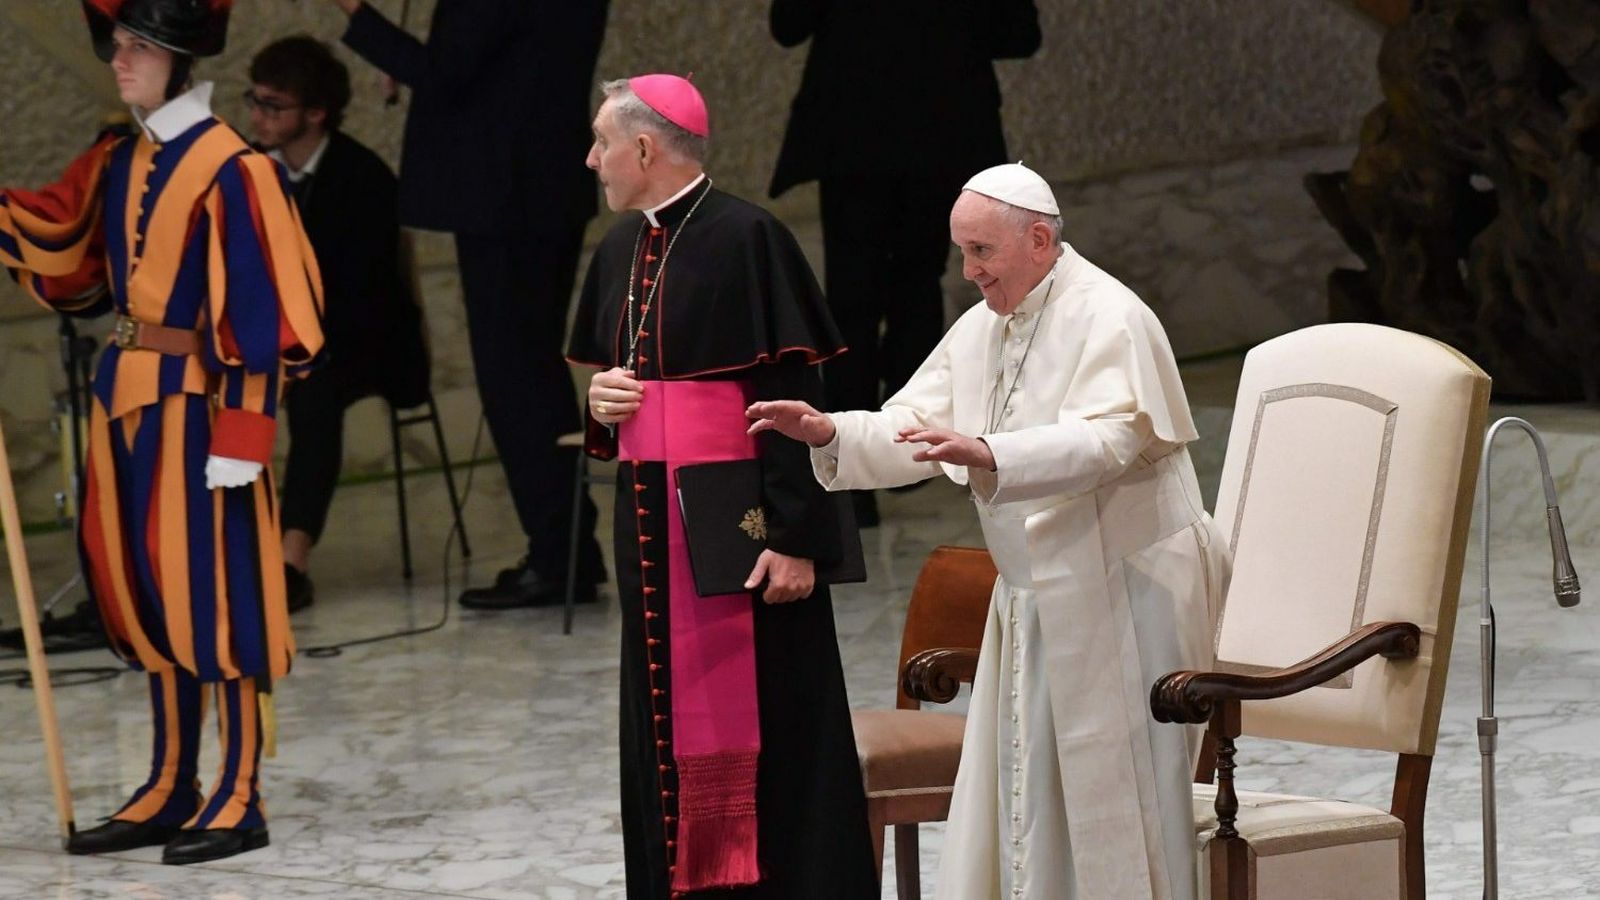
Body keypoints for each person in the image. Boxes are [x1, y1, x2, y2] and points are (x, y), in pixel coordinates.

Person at [748, 163, 1229, 899]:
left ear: (1039, 239)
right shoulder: (985, 325)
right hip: (1036, 593)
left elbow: (1109, 441)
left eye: (981, 252)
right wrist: (830, 432)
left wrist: (992, 452)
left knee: (1120, 801)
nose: (968, 272)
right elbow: (916, 422)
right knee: (1031, 797)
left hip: (1126, 590)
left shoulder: (1111, 316)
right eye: (962, 254)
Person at [0, 0, 324, 864]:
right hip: (126, 403)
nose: (118, 57)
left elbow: (261, 318)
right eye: (118, 42)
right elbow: (65, 246)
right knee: (147, 594)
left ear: (179, 59)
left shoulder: (235, 168)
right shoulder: (122, 155)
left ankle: (239, 791)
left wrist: (245, 439)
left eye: (137, 45)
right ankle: (172, 779)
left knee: (218, 603)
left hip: (203, 414)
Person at [568, 75, 877, 899]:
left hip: (744, 530)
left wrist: (796, 538)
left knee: (780, 721)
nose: (592, 159)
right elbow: (618, 390)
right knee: (659, 719)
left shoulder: (750, 238)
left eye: (603, 143)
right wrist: (601, 402)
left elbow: (797, 397)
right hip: (646, 525)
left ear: (644, 148)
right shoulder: (617, 251)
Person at [325, 0, 609, 608]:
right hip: (542, 184)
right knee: (533, 374)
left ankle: (559, 556)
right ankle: (569, 550)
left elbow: (447, 72)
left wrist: (359, 15)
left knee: (516, 382)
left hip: (503, 194)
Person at [768, 0, 1041, 527]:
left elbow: (788, 25)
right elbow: (1016, 33)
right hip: (944, 123)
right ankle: (911, 453)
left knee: (852, 294)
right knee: (919, 283)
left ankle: (855, 466)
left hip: (855, 129)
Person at [245, 35, 428, 612]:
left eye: (273, 106)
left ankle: (289, 559)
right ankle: (221, 553)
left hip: (359, 343)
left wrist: (295, 354)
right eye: (254, 101)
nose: (257, 116)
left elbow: (366, 297)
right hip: (274, 342)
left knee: (313, 395)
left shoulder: (362, 178)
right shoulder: (247, 174)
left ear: (316, 113)